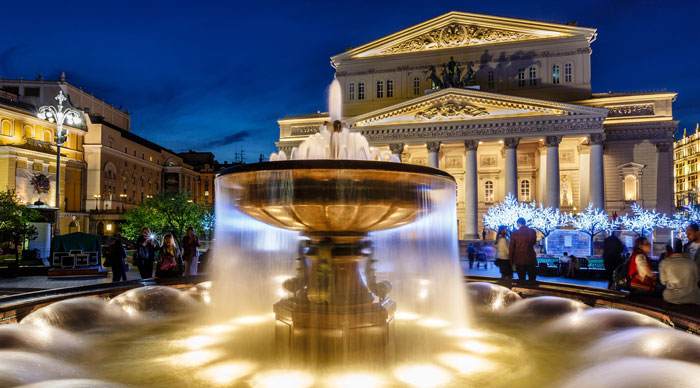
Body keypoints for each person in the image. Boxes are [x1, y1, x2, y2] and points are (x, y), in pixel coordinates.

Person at [659, 239, 700, 305]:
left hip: (672, 298)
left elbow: (663, 281)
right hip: (693, 298)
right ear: (685, 252)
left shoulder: (664, 262)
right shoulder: (691, 262)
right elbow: (697, 278)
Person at [509, 217, 537, 282]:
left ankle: (522, 290)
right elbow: (533, 242)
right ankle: (532, 290)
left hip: (519, 258)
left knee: (521, 278)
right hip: (531, 258)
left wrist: (511, 260)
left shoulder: (515, 233)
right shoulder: (532, 231)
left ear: (518, 223)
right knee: (532, 278)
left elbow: (511, 247)